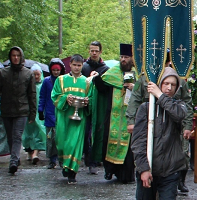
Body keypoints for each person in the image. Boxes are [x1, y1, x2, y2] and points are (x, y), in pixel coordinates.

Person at [131, 67, 190, 200]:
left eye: (173, 85)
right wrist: (143, 168)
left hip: (171, 169)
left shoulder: (179, 106)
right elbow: (138, 141)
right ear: (159, 83)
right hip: (148, 169)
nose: (169, 88)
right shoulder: (144, 109)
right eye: (166, 84)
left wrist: (159, 95)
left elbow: (178, 114)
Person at [93, 44, 137, 183]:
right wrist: (96, 78)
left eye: (126, 57)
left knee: (129, 147)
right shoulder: (112, 73)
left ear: (132, 59)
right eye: (122, 57)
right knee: (109, 142)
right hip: (112, 116)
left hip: (130, 118)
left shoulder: (137, 74)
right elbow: (102, 88)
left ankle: (126, 174)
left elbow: (144, 92)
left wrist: (133, 87)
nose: (123, 60)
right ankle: (110, 170)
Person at [0, 46, 37, 174]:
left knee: (17, 136)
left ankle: (13, 161)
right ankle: (15, 157)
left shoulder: (28, 74)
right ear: (10, 57)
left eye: (18, 55)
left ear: (21, 57)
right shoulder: (3, 73)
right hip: (6, 109)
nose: (16, 58)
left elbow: (32, 95)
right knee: (10, 137)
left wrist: (33, 114)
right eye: (13, 55)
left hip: (22, 110)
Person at [52, 55, 95, 184]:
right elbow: (55, 96)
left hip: (79, 119)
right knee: (62, 143)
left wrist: (88, 102)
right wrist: (66, 98)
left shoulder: (87, 82)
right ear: (70, 65)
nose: (76, 68)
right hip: (64, 117)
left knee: (75, 144)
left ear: (82, 66)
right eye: (74, 65)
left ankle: (73, 172)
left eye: (79, 65)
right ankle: (65, 164)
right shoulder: (60, 80)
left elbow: (91, 98)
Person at [82, 41, 109, 175]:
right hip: (84, 105)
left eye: (96, 51)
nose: (93, 53)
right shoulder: (84, 67)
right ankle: (85, 156)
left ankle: (94, 160)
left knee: (96, 133)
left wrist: (97, 79)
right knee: (85, 133)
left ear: (100, 52)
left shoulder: (105, 69)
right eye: (91, 50)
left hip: (99, 107)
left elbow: (105, 88)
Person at [38, 58, 64, 169]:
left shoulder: (64, 81)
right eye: (54, 70)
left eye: (58, 70)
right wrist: (40, 110)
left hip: (61, 113)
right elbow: (42, 96)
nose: (56, 72)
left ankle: (62, 159)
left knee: (61, 138)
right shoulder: (46, 81)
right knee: (50, 139)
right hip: (49, 113)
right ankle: (52, 160)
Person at [21, 64, 47, 164]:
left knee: (39, 132)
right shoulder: (27, 86)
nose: (36, 76)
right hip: (28, 112)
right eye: (34, 74)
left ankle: (35, 153)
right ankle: (29, 151)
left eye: (38, 74)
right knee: (28, 133)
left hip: (39, 112)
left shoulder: (42, 85)